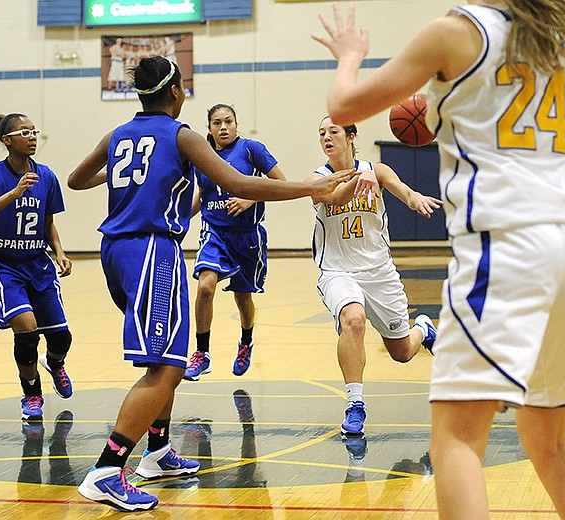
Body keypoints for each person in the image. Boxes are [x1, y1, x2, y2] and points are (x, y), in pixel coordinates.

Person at [313, 2, 565, 519]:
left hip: (507, 245)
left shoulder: (454, 32)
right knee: (550, 444)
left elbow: (343, 105)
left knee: (455, 441)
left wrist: (350, 55)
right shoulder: (552, 37)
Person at [68, 55, 356, 512]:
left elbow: (76, 179)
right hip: (150, 251)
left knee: (170, 360)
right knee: (166, 367)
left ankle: (158, 450)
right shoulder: (182, 136)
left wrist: (134, 177)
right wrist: (312, 187)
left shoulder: (117, 134)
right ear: (177, 91)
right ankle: (107, 468)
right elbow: (241, 183)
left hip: (115, 252)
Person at [307, 116, 441, 436]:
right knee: (353, 319)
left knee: (403, 353)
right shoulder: (317, 178)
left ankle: (423, 328)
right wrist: (356, 179)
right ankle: (355, 405)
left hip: (379, 272)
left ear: (351, 137)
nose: (326, 137)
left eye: (333, 132)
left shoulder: (377, 170)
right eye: (321, 133)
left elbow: (405, 193)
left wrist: (416, 199)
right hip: (337, 270)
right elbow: (337, 198)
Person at [0, 113, 74, 423]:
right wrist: (14, 193)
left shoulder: (47, 177)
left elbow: (47, 222)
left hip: (37, 264)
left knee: (61, 339)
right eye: (24, 132)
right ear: (7, 140)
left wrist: (59, 252)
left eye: (34, 131)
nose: (31, 136)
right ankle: (32, 393)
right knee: (27, 329)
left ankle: (54, 364)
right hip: (1, 264)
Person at [184, 104, 287, 382]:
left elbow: (280, 182)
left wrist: (250, 196)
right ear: (209, 129)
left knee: (243, 298)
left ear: (237, 124)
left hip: (247, 235)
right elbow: (202, 196)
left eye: (228, 121)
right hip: (214, 231)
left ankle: (245, 341)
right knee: (205, 286)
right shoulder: (201, 156)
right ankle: (202, 353)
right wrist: (179, 220)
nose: (223, 127)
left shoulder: (252, 149)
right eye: (216, 123)